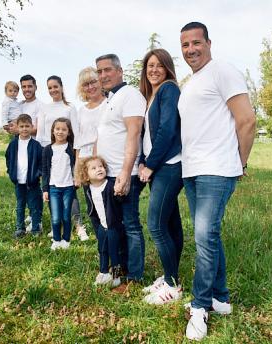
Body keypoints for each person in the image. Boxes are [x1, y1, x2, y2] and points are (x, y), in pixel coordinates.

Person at [178, 22, 256, 340]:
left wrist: (240, 162)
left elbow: (247, 120)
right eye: (184, 45)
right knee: (210, 235)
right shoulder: (191, 82)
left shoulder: (223, 70)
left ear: (209, 43)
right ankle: (220, 298)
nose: (191, 49)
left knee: (203, 237)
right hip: (193, 169)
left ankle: (200, 308)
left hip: (217, 168)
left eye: (196, 43)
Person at [95, 54, 147, 290]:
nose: (102, 75)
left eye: (107, 70)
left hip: (125, 173)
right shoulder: (109, 100)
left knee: (131, 224)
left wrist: (126, 172)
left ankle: (135, 277)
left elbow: (134, 133)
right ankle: (122, 268)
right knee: (116, 226)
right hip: (108, 174)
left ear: (120, 70)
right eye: (99, 71)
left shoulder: (131, 96)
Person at [137, 49, 184, 305]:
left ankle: (172, 286)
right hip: (158, 165)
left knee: (155, 225)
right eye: (149, 66)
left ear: (167, 68)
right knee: (170, 223)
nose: (153, 69)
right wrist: (144, 160)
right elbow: (149, 135)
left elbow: (167, 130)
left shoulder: (168, 89)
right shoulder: (151, 95)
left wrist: (150, 164)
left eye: (159, 65)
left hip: (168, 165)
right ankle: (169, 276)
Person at [36, 75, 89, 242]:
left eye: (55, 87)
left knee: (69, 191)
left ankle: (79, 226)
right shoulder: (44, 108)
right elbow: (41, 132)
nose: (53, 90)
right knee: (53, 188)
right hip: (49, 151)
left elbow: (76, 133)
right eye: (50, 88)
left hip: (67, 150)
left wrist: (76, 159)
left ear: (61, 87)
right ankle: (55, 226)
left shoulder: (70, 107)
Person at [77, 156, 123, 287]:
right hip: (102, 226)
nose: (99, 169)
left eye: (101, 167)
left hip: (113, 226)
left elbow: (119, 202)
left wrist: (119, 194)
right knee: (102, 249)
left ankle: (116, 276)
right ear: (86, 176)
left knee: (114, 252)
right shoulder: (90, 188)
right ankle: (103, 272)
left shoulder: (109, 185)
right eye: (94, 168)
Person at [74, 67, 106, 236]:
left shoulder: (109, 104)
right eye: (86, 84)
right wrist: (77, 171)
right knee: (92, 205)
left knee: (107, 206)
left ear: (100, 81)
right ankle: (102, 240)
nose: (90, 87)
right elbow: (78, 143)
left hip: (104, 161)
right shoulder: (81, 111)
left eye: (93, 81)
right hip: (86, 163)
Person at [5, 114, 43, 239]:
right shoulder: (13, 144)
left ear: (32, 127)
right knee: (20, 205)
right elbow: (8, 159)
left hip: (32, 181)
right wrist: (11, 173)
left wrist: (37, 174)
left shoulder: (36, 145)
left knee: (34, 206)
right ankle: (20, 228)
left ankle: (36, 228)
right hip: (18, 181)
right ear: (17, 127)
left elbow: (41, 162)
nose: (25, 129)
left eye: (27, 126)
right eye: (21, 126)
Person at [42, 118, 76, 250]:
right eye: (57, 129)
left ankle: (66, 240)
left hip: (68, 187)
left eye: (64, 129)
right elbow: (45, 171)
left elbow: (76, 165)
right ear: (53, 131)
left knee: (66, 216)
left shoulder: (72, 148)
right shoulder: (47, 150)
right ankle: (56, 240)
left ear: (68, 132)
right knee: (56, 217)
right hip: (53, 188)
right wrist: (45, 190)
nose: (60, 132)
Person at [17, 74, 45, 232]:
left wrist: (18, 128)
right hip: (21, 148)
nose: (27, 89)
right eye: (24, 87)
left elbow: (38, 128)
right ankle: (31, 214)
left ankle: (38, 218)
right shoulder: (19, 105)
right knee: (23, 183)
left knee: (35, 185)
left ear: (35, 87)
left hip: (35, 149)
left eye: (30, 86)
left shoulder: (40, 106)